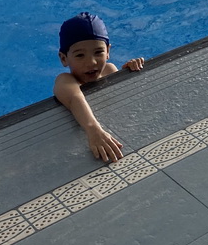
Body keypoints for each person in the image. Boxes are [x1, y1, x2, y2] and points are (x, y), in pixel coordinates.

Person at [54, 12, 145, 163]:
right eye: (80, 55)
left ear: (108, 51)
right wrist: (93, 130)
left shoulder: (110, 70)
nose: (92, 62)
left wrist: (131, 69)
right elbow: (75, 98)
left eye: (98, 52)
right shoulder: (65, 80)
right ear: (64, 58)